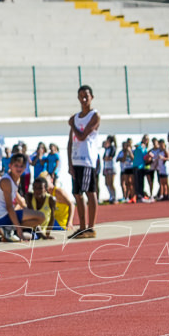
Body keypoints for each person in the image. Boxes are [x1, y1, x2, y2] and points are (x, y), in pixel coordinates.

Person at [0, 152, 43, 242]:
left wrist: (40, 231)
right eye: (16, 165)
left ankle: (6, 232)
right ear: (10, 166)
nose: (19, 168)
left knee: (34, 218)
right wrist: (19, 229)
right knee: (41, 216)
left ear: (25, 167)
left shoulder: (16, 179)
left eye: (22, 166)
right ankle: (11, 231)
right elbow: (9, 207)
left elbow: (20, 202)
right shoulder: (6, 181)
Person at [67, 85, 101, 239]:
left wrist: (72, 124)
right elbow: (71, 141)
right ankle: (81, 227)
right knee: (77, 194)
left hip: (87, 159)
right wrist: (70, 163)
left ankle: (91, 227)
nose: (84, 98)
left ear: (91, 97)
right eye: (81, 96)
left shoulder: (94, 115)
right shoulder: (75, 117)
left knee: (90, 192)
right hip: (76, 160)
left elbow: (82, 136)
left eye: (87, 96)